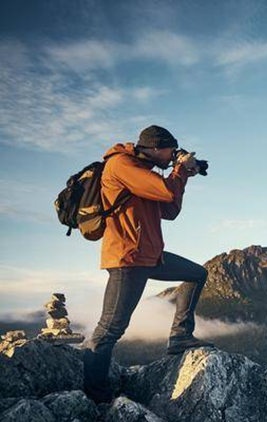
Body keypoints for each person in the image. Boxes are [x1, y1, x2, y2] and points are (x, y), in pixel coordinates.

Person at [83, 125, 213, 403]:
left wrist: (184, 175)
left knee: (196, 274)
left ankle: (180, 336)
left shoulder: (146, 174)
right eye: (171, 151)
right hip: (128, 258)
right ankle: (95, 396)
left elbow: (170, 210)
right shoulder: (121, 165)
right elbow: (166, 193)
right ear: (154, 148)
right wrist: (178, 171)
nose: (172, 157)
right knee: (109, 330)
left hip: (151, 255)